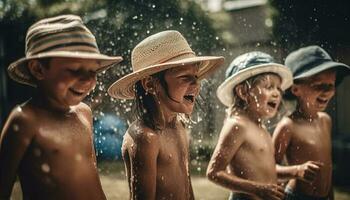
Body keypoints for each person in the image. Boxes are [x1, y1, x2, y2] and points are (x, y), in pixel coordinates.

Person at [0, 14, 122, 199]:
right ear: (38, 69)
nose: (88, 79)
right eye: (75, 69)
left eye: (93, 71)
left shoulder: (84, 113)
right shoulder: (26, 120)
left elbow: (92, 178)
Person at [108, 30, 224, 200]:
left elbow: (187, 187)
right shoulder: (145, 137)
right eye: (185, 78)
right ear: (149, 84)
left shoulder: (179, 125)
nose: (196, 85)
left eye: (196, 77)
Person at [207, 51, 293, 200]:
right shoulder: (237, 125)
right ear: (243, 92)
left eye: (278, 88)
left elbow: (267, 171)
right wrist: (257, 189)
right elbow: (214, 173)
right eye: (269, 87)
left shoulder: (261, 128)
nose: (277, 93)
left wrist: (296, 171)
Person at [272, 45, 350, 200]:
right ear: (295, 89)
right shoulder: (288, 126)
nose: (327, 91)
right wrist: (296, 170)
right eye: (319, 85)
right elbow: (267, 169)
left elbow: (327, 172)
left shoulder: (325, 120)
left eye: (331, 85)